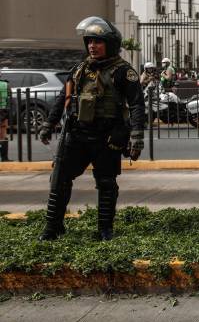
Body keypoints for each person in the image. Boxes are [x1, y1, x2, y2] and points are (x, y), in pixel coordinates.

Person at [37, 16, 145, 241]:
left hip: (107, 137)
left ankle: (105, 229)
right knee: (59, 179)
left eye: (98, 41)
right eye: (89, 41)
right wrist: (49, 123)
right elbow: (62, 98)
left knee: (106, 183)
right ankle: (52, 226)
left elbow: (136, 105)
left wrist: (136, 136)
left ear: (110, 44)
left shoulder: (124, 72)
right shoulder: (79, 69)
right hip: (76, 135)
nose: (92, 46)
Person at [0, 68, 10, 162]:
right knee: (2, 135)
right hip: (3, 112)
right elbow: (9, 100)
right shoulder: (5, 84)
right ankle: (4, 158)